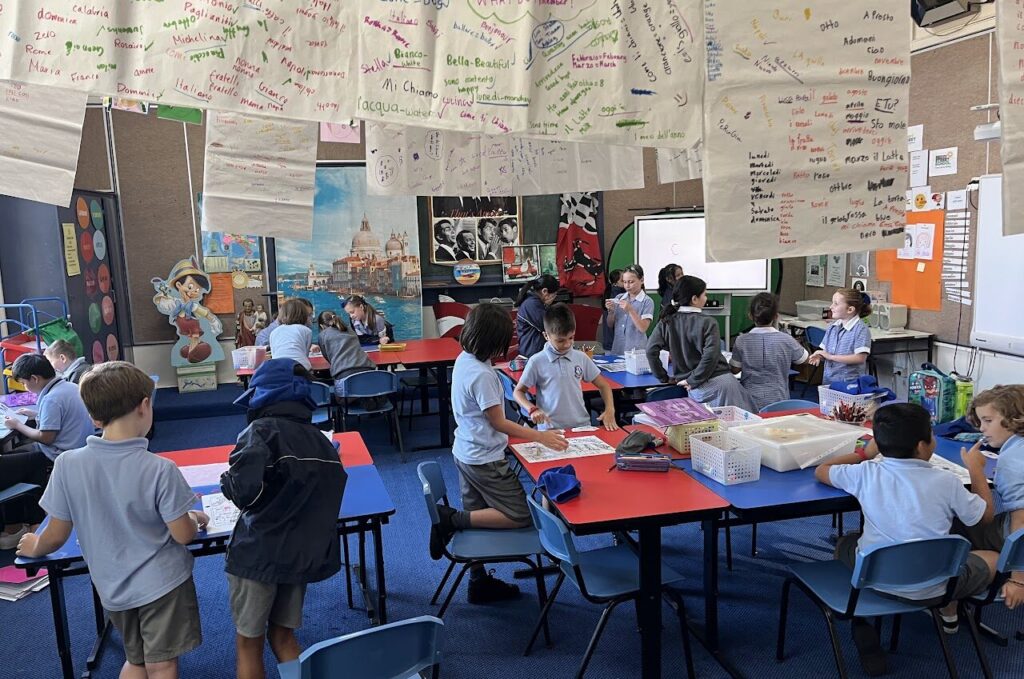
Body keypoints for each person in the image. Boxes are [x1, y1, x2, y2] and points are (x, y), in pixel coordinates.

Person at [17, 362, 206, 678]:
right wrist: (194, 517)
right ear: (144, 406)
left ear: (94, 417)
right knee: (162, 664)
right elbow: (183, 534)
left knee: (137, 659)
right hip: (163, 585)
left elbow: (57, 534)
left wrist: (34, 546)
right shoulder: (160, 469)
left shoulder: (66, 464)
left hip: (112, 587)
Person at [815, 403, 998, 675]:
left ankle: (862, 620)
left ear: (880, 443)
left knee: (846, 543)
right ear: (923, 446)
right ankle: (948, 609)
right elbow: (984, 516)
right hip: (936, 584)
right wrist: (976, 470)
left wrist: (865, 453)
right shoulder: (947, 482)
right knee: (993, 557)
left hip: (876, 579)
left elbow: (822, 470)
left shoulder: (866, 473)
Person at [431, 303, 568, 602]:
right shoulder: (483, 375)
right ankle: (451, 520)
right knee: (521, 515)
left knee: (478, 513)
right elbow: (498, 422)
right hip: (485, 459)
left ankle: (477, 580)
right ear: (494, 341)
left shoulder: (465, 359)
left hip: (466, 450)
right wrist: (539, 437)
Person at [222, 359, 346, 679]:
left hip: (258, 555)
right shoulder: (321, 441)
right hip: (299, 555)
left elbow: (243, 492)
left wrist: (226, 480)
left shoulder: (259, 432)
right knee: (283, 635)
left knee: (248, 643)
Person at [0, 354, 94, 548]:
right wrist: (34, 414)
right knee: (20, 456)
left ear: (35, 379)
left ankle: (22, 525)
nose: (25, 387)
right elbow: (61, 416)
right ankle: (31, 522)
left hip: (60, 452)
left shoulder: (52, 399)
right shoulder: (68, 387)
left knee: (20, 458)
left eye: (24, 383)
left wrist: (17, 425)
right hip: (79, 445)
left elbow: (46, 437)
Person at [954, 385, 1024, 612]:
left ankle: (947, 590)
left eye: (988, 421)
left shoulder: (1012, 460)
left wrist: (1019, 579)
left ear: (1014, 418)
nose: (982, 428)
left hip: (1017, 532)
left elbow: (1021, 523)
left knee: (960, 520)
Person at [646, 275, 754, 409]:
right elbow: (710, 356)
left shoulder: (666, 321)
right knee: (742, 419)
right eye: (704, 294)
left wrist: (663, 377)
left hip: (695, 390)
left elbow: (650, 350)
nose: (706, 298)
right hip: (720, 383)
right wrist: (693, 380)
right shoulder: (708, 322)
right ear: (694, 299)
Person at [513, 304, 618, 431]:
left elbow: (604, 385)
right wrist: (532, 409)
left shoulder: (581, 357)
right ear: (546, 336)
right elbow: (518, 392)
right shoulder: (536, 361)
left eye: (571, 338)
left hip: (581, 426)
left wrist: (610, 409)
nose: (567, 344)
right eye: (560, 341)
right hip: (550, 430)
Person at [730, 293, 809, 412]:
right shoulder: (786, 339)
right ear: (776, 316)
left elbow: (735, 369)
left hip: (750, 401)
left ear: (750, 315)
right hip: (779, 400)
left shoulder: (741, 340)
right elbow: (805, 359)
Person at [317, 310, 384, 410]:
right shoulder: (349, 329)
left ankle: (358, 397)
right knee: (362, 384)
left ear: (322, 326)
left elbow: (328, 357)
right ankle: (366, 396)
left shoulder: (323, 335)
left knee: (340, 400)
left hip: (344, 374)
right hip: (367, 370)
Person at [807, 288, 872, 383]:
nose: (831, 307)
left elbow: (860, 358)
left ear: (850, 309)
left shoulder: (861, 329)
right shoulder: (832, 327)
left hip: (849, 383)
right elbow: (826, 352)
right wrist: (820, 355)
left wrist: (831, 357)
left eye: (836, 303)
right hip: (829, 380)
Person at [605, 264, 654, 355]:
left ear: (641, 280)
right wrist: (611, 311)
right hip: (618, 349)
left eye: (631, 282)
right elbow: (610, 324)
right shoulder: (619, 298)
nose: (627, 286)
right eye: (624, 282)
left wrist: (630, 310)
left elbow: (643, 328)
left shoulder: (647, 301)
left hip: (636, 352)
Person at [515, 274, 559, 359]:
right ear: (544, 291)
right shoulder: (532, 304)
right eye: (554, 295)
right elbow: (549, 326)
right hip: (531, 355)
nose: (554, 298)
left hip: (535, 354)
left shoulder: (534, 302)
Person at [269, 299, 313, 370]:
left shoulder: (273, 332)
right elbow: (305, 354)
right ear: (303, 314)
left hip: (278, 368)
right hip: (301, 367)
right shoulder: (306, 331)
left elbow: (274, 355)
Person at [601, 269, 625, 350]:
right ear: (615, 283)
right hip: (614, 342)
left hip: (609, 341)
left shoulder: (610, 292)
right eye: (623, 281)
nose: (626, 283)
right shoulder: (617, 297)